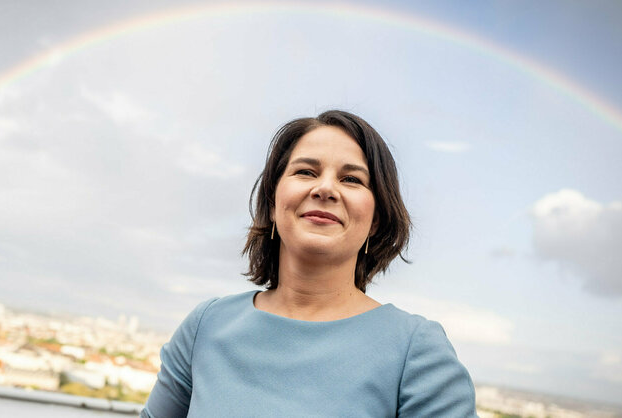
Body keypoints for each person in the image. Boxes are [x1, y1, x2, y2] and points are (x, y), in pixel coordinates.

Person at [141, 110, 476, 417]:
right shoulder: (206, 326)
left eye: (351, 179)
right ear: (273, 203)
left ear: (376, 220)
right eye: (305, 172)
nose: (325, 188)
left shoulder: (416, 351)